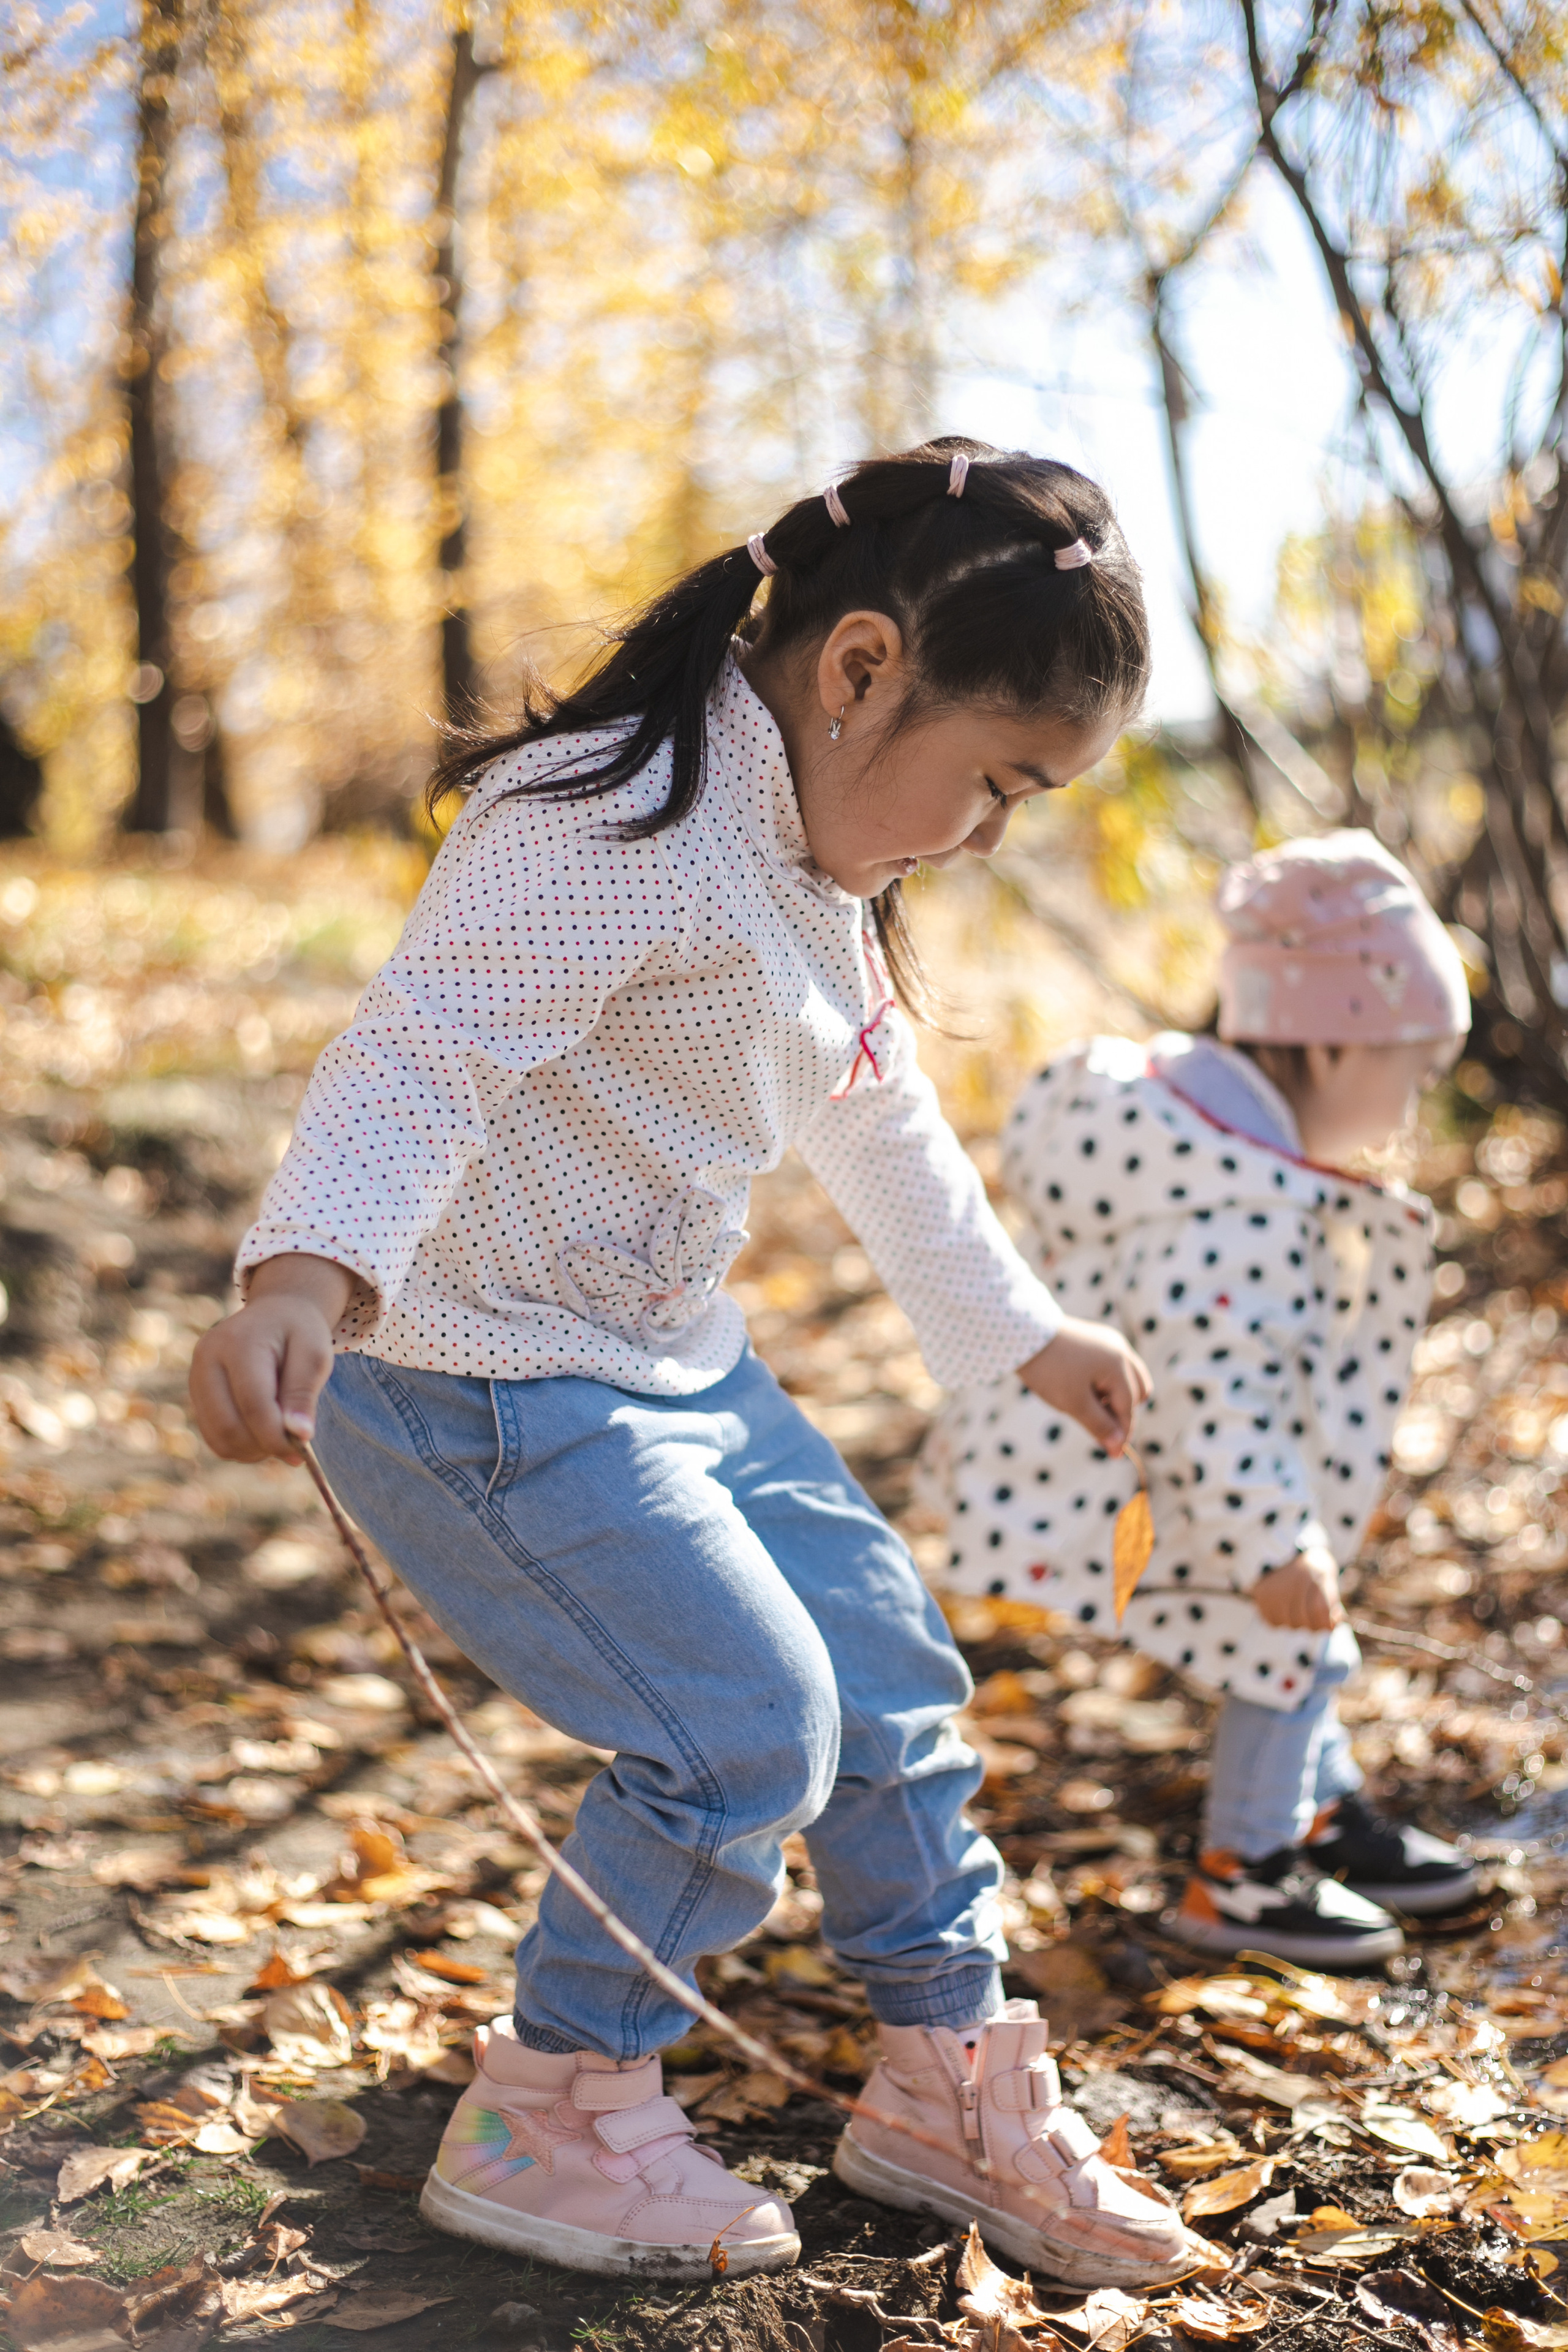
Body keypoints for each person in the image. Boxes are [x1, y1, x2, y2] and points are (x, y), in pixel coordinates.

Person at [189, 439, 1194, 2290]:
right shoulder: (615, 819)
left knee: (890, 1675)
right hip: (475, 1373)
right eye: (996, 782)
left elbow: (890, 1128)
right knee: (740, 1727)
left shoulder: (816, 876)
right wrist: (306, 1284)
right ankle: (556, 2106)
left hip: (664, 1365)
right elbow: (428, 1051)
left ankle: (942, 2083)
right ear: (861, 665)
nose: (987, 834)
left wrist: (1021, 1327)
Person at [929, 829, 1477, 1969]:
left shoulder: (1213, 1143)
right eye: (1407, 1074)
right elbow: (1213, 1397)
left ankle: (1313, 1809)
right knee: (1293, 1645)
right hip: (1172, 1480)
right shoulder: (1232, 1207)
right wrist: (1274, 1540)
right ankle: (1245, 1869)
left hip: (1161, 1468)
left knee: (1298, 1641)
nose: (1411, 1109)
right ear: (1329, 1041)